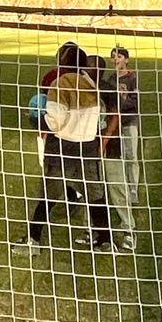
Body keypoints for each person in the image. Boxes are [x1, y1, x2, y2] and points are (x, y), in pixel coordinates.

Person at [18, 44, 117, 254]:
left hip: (62, 148)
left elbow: (56, 120)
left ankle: (33, 241)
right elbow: (98, 118)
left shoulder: (60, 83)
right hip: (88, 148)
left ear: (63, 62)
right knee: (95, 195)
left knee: (47, 196)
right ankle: (106, 240)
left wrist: (41, 121)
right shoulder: (92, 85)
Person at [101, 46, 142, 249]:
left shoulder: (132, 78)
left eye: (118, 57)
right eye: (112, 57)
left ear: (125, 59)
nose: (115, 60)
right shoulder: (109, 79)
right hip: (114, 124)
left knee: (131, 156)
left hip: (129, 122)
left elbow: (134, 102)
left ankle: (133, 191)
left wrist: (118, 103)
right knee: (117, 159)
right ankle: (123, 190)